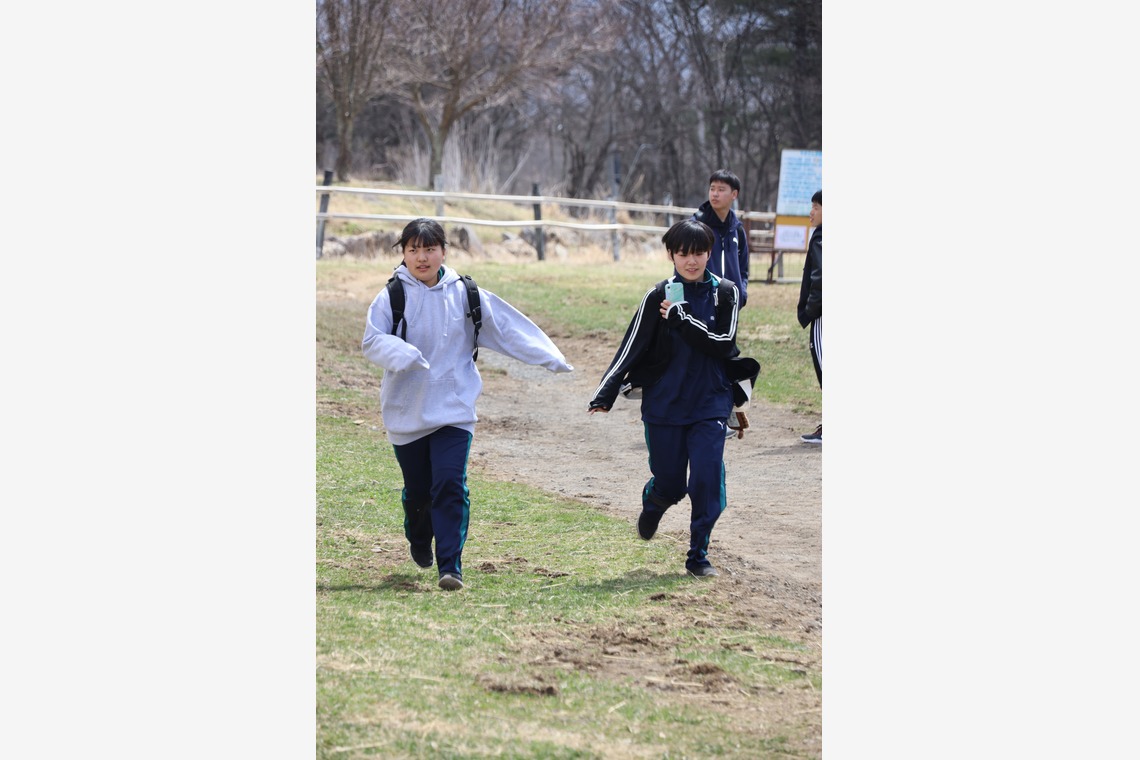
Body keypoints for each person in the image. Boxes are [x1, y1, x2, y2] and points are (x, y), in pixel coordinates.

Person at [362, 218, 573, 591]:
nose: (422, 257)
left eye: (429, 249)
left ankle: (451, 566)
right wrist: (404, 352)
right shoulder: (392, 296)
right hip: (407, 413)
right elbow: (372, 341)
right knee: (418, 492)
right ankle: (418, 534)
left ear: (444, 250)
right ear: (404, 254)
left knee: (450, 483)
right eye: (413, 250)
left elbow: (509, 330)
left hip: (455, 409)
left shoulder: (465, 293)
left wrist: (548, 357)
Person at [588, 219, 759, 578]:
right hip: (664, 404)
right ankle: (655, 502)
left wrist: (682, 321)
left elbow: (724, 342)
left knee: (707, 478)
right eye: (683, 254)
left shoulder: (725, 293)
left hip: (711, 401)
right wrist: (607, 390)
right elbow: (632, 345)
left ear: (709, 253)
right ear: (671, 255)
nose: (691, 261)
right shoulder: (659, 294)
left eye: (698, 253)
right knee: (671, 483)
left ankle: (698, 555)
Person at [692, 169, 750, 308]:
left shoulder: (737, 229)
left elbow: (744, 268)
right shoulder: (696, 226)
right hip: (702, 303)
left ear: (734, 194)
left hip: (731, 303)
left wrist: (741, 294)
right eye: (712, 189)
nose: (715, 194)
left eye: (721, 189)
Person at [797, 189, 822, 444]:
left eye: (816, 206)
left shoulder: (821, 237)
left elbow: (821, 278)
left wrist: (810, 311)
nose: (811, 212)